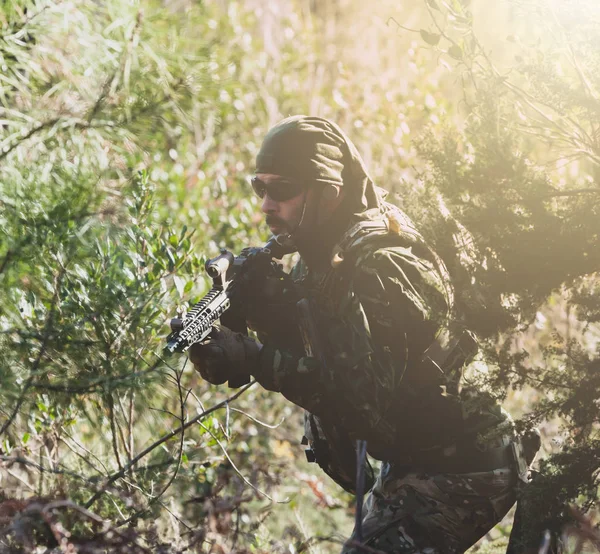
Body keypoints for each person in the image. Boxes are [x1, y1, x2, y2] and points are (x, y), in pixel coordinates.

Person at [189, 115, 536, 553]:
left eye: (282, 189)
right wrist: (264, 315)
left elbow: (358, 405)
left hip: (467, 466)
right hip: (417, 457)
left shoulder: (379, 266)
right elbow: (325, 349)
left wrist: (254, 358)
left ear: (328, 192)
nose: (266, 204)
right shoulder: (320, 256)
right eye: (260, 187)